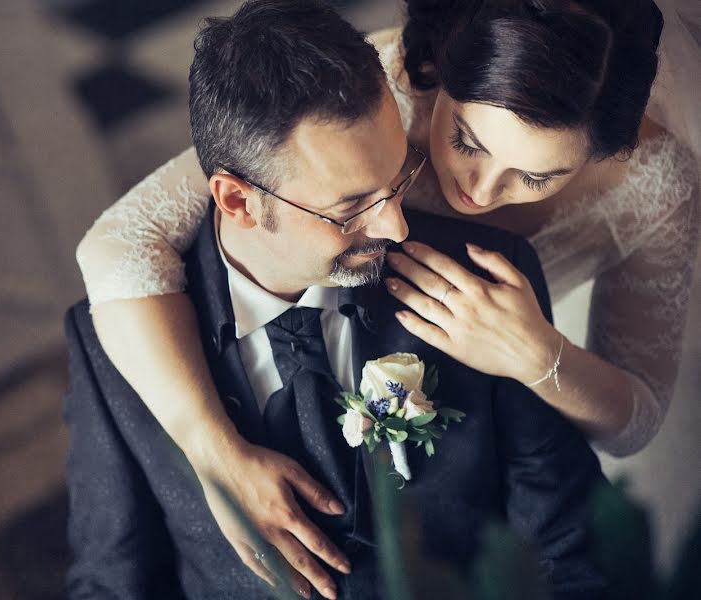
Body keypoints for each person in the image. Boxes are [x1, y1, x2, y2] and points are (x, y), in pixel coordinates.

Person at [75, 0, 699, 594]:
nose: (479, 191)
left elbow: (631, 425)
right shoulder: (367, 97)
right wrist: (216, 453)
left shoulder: (649, 187)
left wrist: (537, 356)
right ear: (443, 70)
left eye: (537, 176)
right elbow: (120, 244)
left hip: (506, 376)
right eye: (466, 141)